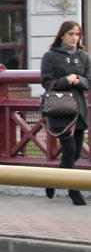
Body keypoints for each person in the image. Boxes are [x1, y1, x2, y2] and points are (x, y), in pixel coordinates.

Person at [40, 20, 91, 205]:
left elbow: (90, 80)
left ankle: (51, 180)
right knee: (69, 150)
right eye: (71, 34)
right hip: (60, 109)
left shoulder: (84, 56)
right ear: (62, 35)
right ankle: (73, 191)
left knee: (76, 153)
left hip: (79, 109)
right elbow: (46, 82)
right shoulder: (50, 56)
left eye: (77, 34)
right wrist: (66, 80)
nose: (74, 38)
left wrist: (79, 81)